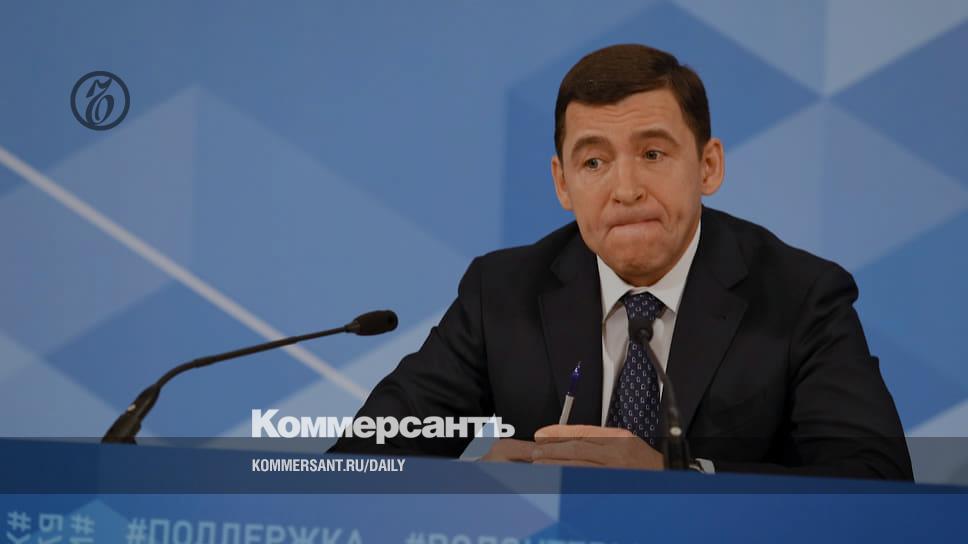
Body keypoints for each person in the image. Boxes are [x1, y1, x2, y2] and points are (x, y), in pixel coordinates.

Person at [330, 43, 913, 480]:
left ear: (708, 166)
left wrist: (677, 480)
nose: (626, 189)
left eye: (653, 153)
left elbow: (875, 484)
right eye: (593, 162)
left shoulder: (802, 296)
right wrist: (475, 487)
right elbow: (359, 462)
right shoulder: (501, 293)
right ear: (562, 183)